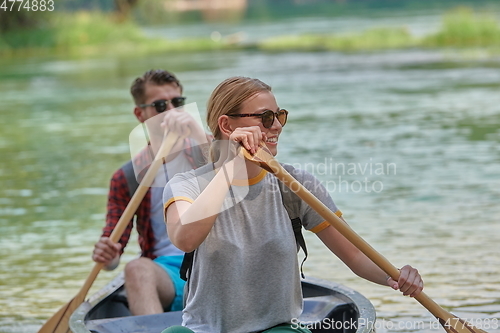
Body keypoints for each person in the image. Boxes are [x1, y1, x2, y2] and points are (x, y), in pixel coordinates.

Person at [162, 76, 424, 333]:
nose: (276, 126)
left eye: (280, 115)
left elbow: (355, 255)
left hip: (278, 328)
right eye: (266, 117)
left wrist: (394, 276)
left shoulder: (296, 184)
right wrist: (231, 169)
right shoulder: (186, 185)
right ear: (227, 126)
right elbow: (186, 239)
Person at [91, 69, 209, 315]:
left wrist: (198, 135)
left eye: (177, 103)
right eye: (159, 105)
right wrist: (107, 255)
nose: (171, 111)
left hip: (217, 264)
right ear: (140, 114)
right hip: (169, 274)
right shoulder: (126, 177)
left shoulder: (209, 147)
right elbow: (113, 256)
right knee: (135, 269)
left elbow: (235, 181)